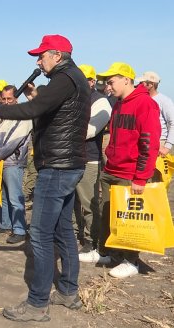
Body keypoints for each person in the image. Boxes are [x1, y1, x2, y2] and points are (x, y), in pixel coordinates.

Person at [0, 34, 91, 322]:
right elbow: (46, 111)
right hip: (69, 164)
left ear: (57, 56)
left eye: (41, 55)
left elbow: (30, 110)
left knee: (41, 235)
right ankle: (68, 293)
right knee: (63, 231)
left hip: (57, 167)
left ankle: (36, 305)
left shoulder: (64, 79)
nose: (38, 60)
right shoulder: (76, 79)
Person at [80, 63, 160, 278]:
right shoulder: (117, 103)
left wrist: (141, 178)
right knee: (108, 215)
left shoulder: (145, 104)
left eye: (111, 81)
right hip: (111, 168)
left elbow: (149, 144)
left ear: (126, 79)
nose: (108, 85)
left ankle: (131, 260)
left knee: (129, 218)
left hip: (130, 172)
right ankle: (110, 253)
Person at [0, 85, 32, 243]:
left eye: (9, 99)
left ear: (16, 98)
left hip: (13, 162)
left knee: (15, 197)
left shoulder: (23, 116)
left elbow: (12, 141)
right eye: (3, 99)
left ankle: (19, 229)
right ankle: (5, 223)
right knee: (2, 195)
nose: (6, 102)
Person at [73, 65, 112, 250]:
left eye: (83, 79)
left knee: (89, 202)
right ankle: (78, 233)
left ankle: (92, 241)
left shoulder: (100, 101)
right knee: (73, 202)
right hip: (72, 157)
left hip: (89, 158)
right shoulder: (73, 99)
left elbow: (91, 130)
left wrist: (65, 131)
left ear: (91, 82)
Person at [137, 71, 174, 157]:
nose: (139, 85)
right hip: (143, 143)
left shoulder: (165, 101)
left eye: (141, 83)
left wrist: (167, 147)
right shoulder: (141, 100)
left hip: (159, 144)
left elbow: (173, 123)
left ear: (151, 85)